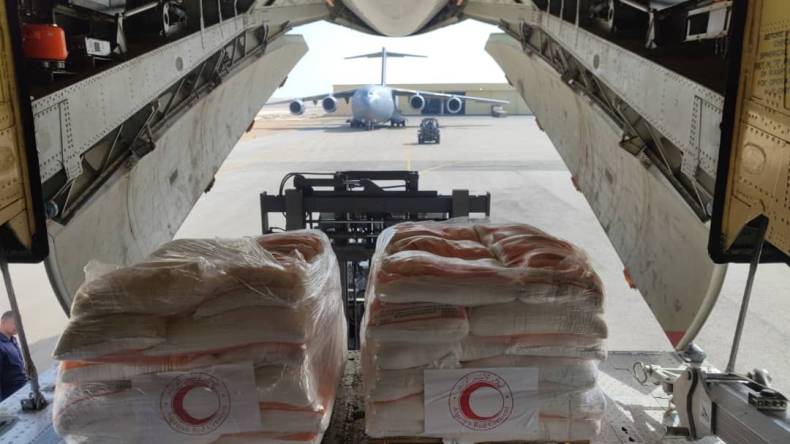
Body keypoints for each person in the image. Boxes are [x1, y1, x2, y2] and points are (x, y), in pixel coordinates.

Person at [0, 311, 27, 400]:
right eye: (15, 323)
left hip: (24, 387)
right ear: (3, 322)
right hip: (11, 396)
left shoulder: (12, 339)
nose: (18, 327)